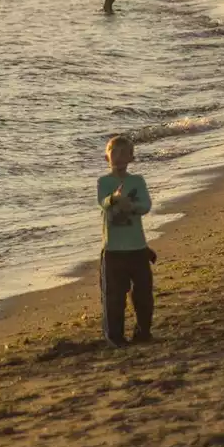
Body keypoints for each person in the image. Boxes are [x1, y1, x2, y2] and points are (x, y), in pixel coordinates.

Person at [97, 136, 155, 347]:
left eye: (125, 153)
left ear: (132, 157)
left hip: (137, 247)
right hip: (113, 249)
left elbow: (146, 205)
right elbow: (103, 202)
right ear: (107, 157)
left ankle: (143, 332)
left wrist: (130, 205)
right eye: (115, 153)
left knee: (143, 294)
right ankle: (115, 337)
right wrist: (115, 199)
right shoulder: (104, 182)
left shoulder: (137, 181)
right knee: (113, 297)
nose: (120, 157)